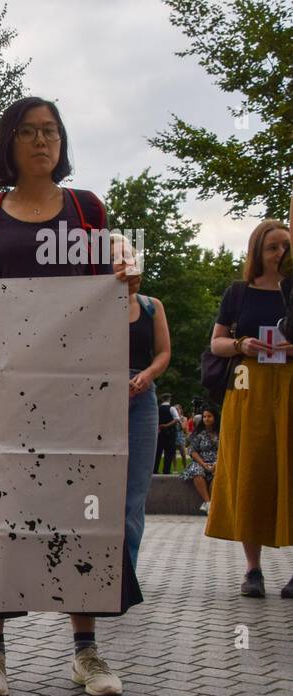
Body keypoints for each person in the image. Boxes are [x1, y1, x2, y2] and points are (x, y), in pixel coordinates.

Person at [0, 96, 137, 696]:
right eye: (29, 132)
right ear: (9, 144)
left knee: (81, 514)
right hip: (5, 393)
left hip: (75, 392)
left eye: (51, 131)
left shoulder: (89, 210)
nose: (43, 141)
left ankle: (86, 651)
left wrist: (126, 275)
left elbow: (111, 292)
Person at [205, 219, 293, 598]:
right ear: (258, 250)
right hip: (247, 388)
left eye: (286, 247)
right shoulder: (238, 293)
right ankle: (253, 569)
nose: (281, 254)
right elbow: (216, 343)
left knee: (288, 469)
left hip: (289, 385)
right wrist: (243, 345)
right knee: (251, 470)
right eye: (273, 247)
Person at [119, 236, 171, 572]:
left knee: (135, 491)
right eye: (113, 257)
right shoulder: (89, 304)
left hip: (142, 398)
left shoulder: (152, 306)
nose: (121, 262)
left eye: (126, 255)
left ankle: (128, 572)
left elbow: (164, 353)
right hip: (100, 398)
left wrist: (148, 376)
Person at [182, 407, 219, 513]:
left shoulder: (222, 432)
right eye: (204, 416)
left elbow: (226, 450)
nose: (206, 419)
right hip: (201, 462)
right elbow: (192, 451)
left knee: (217, 474)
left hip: (218, 462)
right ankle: (208, 503)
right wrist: (203, 464)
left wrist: (216, 463)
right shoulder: (199, 433)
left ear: (215, 417)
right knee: (196, 470)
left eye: (209, 416)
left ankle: (212, 503)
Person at [154, 394, 179, 474]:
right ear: (169, 399)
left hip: (159, 433)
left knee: (158, 452)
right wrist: (166, 425)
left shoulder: (157, 408)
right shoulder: (171, 408)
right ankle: (166, 470)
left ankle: (155, 470)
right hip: (170, 433)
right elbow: (176, 419)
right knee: (169, 452)